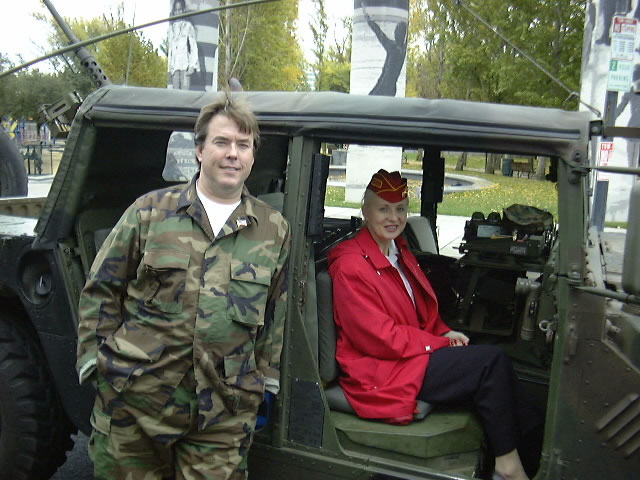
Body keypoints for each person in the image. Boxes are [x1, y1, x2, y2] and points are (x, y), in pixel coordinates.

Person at [76, 91, 290, 480]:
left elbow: (276, 309)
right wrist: (95, 363)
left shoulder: (272, 228)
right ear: (200, 150)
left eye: (243, 145)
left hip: (223, 411)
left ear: (252, 156)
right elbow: (102, 287)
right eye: (222, 142)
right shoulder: (150, 212)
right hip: (136, 400)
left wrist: (265, 377)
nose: (233, 154)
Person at [328, 169, 530, 480]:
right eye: (383, 209)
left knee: (497, 360)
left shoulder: (397, 251)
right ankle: (508, 465)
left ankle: (528, 453)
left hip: (408, 354)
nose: (393, 218)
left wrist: (443, 331)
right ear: (365, 211)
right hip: (381, 369)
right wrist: (439, 343)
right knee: (491, 363)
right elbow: (378, 338)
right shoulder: (351, 265)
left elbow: (422, 311)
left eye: (400, 209)